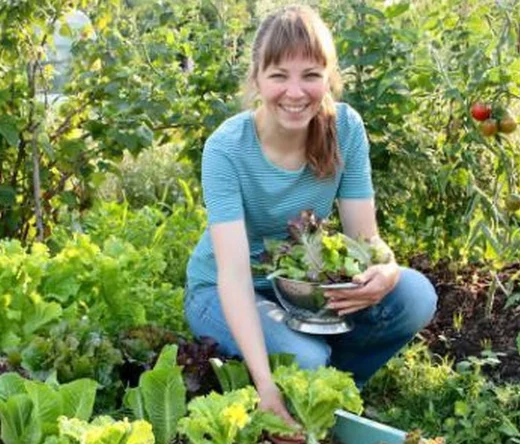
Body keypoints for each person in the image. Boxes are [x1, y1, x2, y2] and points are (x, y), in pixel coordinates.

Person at [183, 4, 438, 434]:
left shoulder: (346, 130)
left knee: (414, 296)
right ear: (257, 79)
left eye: (310, 75)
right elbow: (233, 274)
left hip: (304, 291)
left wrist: (388, 270)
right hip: (221, 291)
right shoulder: (226, 148)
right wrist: (265, 385)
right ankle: (293, 385)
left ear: (328, 77)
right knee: (304, 357)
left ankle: (328, 394)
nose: (295, 92)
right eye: (279, 75)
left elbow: (365, 239)